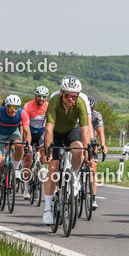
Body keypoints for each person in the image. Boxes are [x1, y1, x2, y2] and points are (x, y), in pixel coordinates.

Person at [42, 75, 92, 225]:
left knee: (78, 150)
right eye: (68, 95)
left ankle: (74, 177)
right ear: (61, 92)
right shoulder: (54, 101)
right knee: (53, 167)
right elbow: (48, 129)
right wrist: (48, 152)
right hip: (55, 133)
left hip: (71, 131)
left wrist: (88, 155)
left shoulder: (81, 103)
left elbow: (85, 131)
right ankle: (47, 210)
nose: (71, 99)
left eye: (74, 96)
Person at [0, 94, 31, 205]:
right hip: (0, 134)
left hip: (13, 133)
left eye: (16, 107)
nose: (14, 110)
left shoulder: (22, 113)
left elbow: (27, 132)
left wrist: (28, 144)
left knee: (20, 145)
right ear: (7, 106)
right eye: (11, 107)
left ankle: (15, 168)